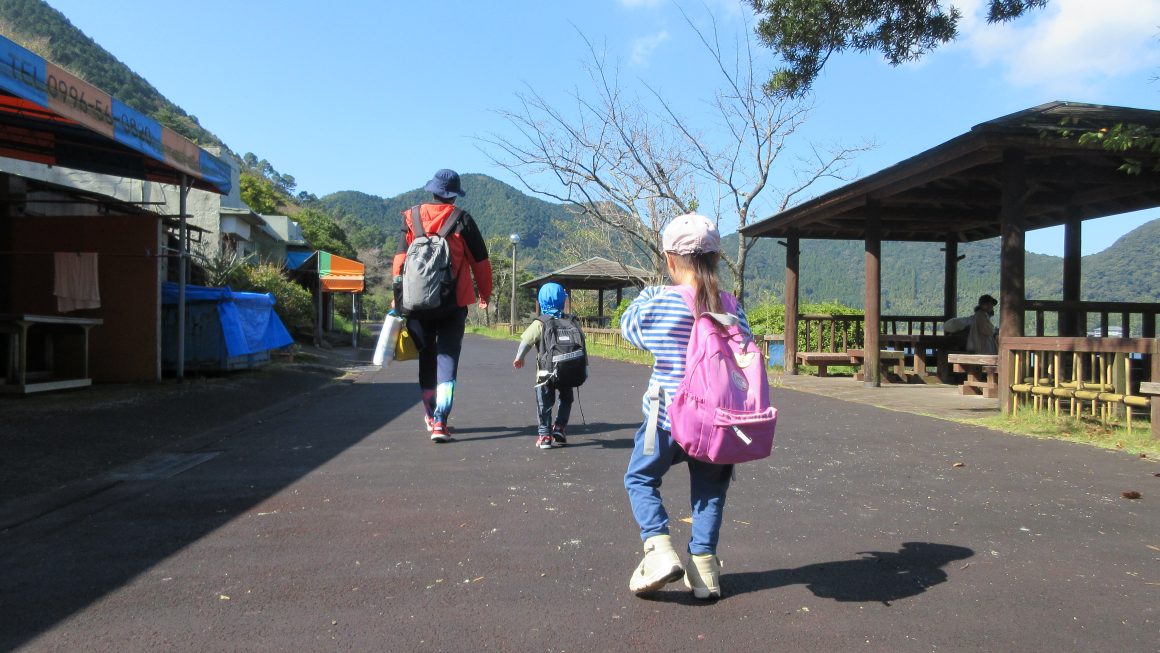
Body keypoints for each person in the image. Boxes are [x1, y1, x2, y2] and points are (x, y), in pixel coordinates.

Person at [619, 213, 748, 600]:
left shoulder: (663, 302)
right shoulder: (730, 306)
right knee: (709, 490)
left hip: (665, 416)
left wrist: (646, 296)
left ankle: (659, 549)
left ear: (670, 260)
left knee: (639, 478)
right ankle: (705, 570)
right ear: (716, 259)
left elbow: (630, 330)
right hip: (719, 420)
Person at [392, 169, 492, 443]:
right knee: (447, 359)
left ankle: (428, 413)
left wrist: (397, 296)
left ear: (432, 190)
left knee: (426, 357)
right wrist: (485, 294)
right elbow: (481, 263)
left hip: (415, 303)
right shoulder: (462, 219)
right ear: (454, 195)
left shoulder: (411, 218)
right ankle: (440, 422)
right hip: (453, 303)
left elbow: (400, 260)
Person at [512, 282, 574, 450]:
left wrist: (520, 357)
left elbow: (527, 341)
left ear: (541, 300)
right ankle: (560, 427)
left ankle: (545, 435)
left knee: (544, 404)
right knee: (566, 398)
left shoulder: (541, 322)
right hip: (567, 371)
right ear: (563, 300)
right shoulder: (570, 321)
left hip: (545, 373)